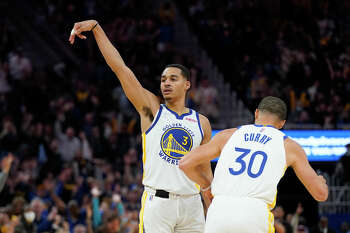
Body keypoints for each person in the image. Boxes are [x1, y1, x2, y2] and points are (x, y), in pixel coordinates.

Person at [69, 19, 213, 233]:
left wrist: (211, 207)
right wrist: (97, 28)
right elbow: (120, 69)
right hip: (159, 203)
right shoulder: (151, 108)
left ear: (187, 85)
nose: (166, 83)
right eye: (163, 79)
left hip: (192, 204)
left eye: (173, 79)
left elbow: (205, 173)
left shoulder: (202, 123)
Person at [179, 96, 328, 233]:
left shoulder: (227, 135)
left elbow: (185, 163)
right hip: (254, 213)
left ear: (256, 113)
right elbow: (320, 194)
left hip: (218, 211)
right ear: (282, 123)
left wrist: (206, 186)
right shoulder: (289, 146)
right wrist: (321, 181)